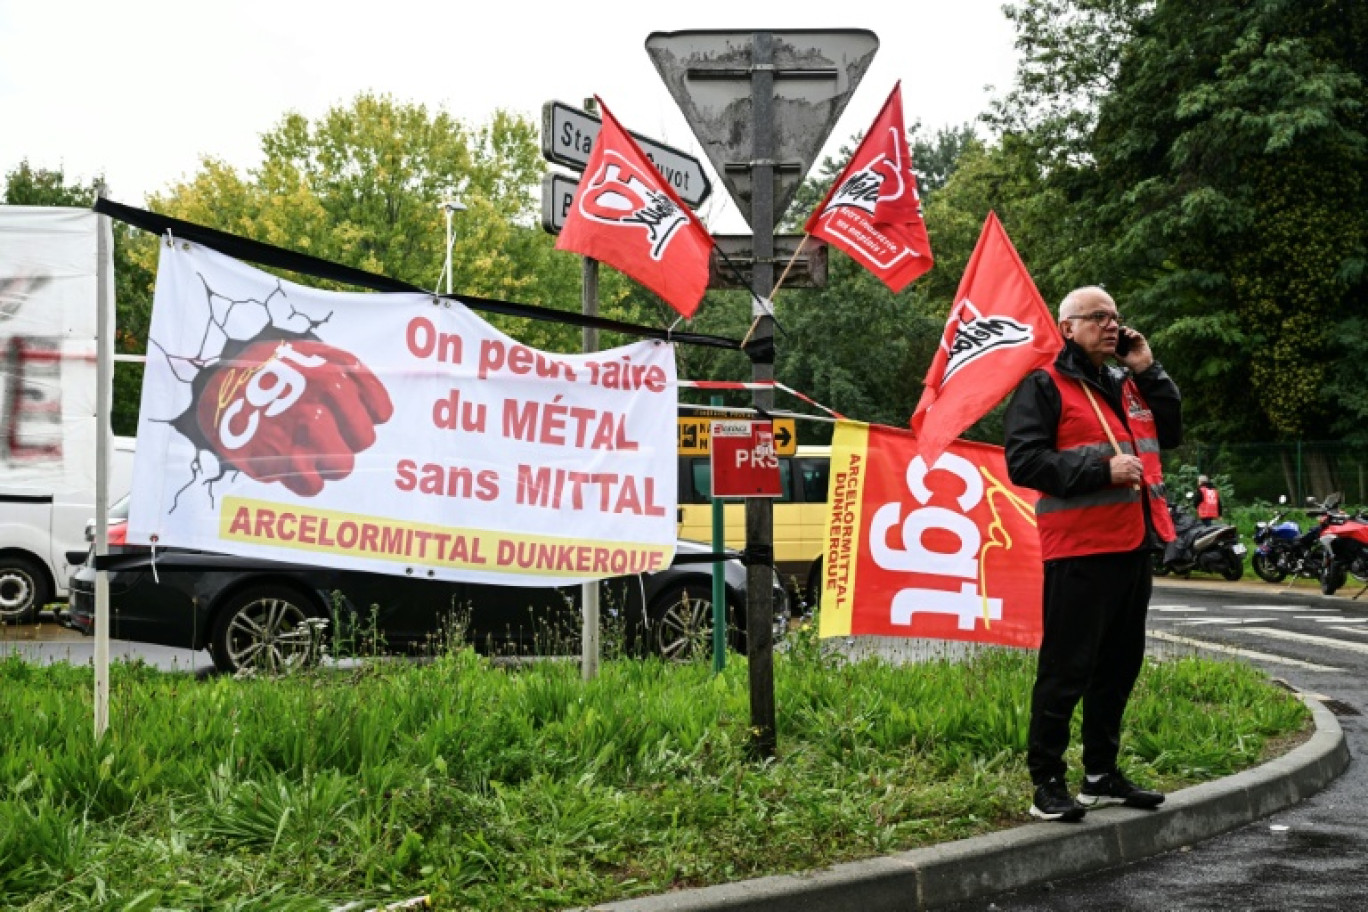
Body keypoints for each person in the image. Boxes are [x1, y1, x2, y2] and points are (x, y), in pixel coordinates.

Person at [1003, 286, 1182, 822]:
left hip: (1134, 543)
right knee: (1066, 669)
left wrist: (1149, 370)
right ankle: (1047, 783)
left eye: (1116, 316)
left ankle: (1101, 775)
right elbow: (1024, 462)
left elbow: (1168, 432)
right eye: (1098, 317)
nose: (1111, 325)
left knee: (1118, 668)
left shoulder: (1127, 383)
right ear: (1067, 327)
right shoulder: (1044, 385)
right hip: (1079, 549)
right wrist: (1099, 470)